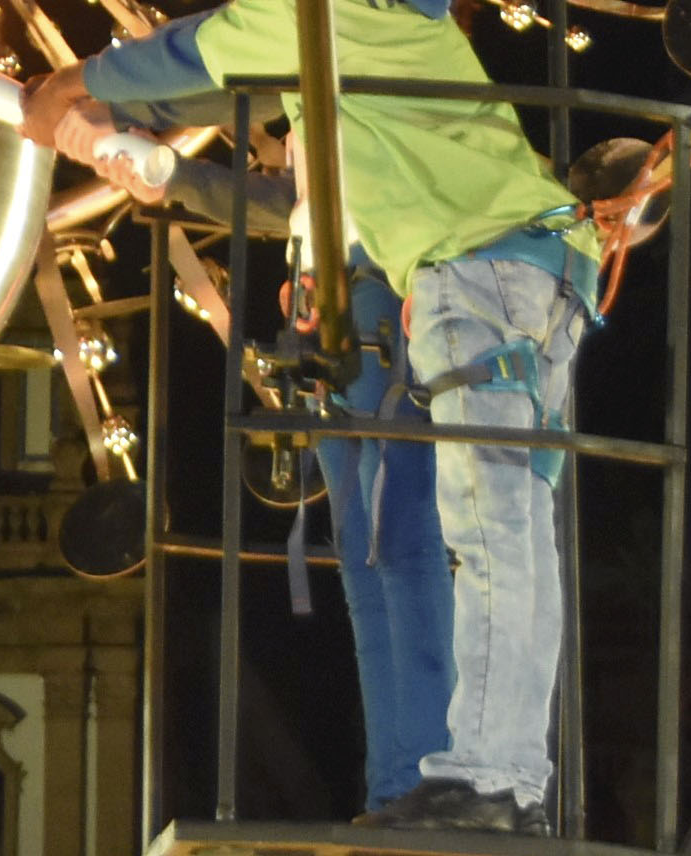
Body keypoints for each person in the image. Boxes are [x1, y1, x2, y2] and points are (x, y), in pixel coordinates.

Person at [23, 0, 598, 834]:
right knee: (486, 530)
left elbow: (189, 53)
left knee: (487, 530)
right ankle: (479, 774)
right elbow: (218, 89)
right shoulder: (373, 7)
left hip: (480, 270)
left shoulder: (326, 4)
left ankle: (500, 785)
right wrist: (134, 140)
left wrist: (73, 89)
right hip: (498, 270)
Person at [113, 130, 456, 818]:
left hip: (371, 284)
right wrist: (171, 171)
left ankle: (423, 774)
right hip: (329, 295)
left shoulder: (370, 66)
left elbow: (312, 196)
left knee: (396, 543)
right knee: (365, 556)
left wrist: (166, 164)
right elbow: (298, 201)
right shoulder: (327, 82)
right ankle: (397, 781)